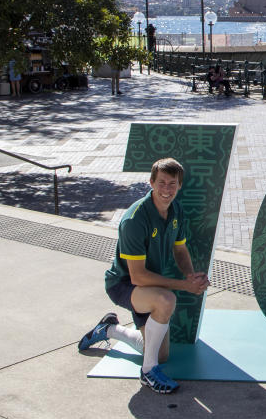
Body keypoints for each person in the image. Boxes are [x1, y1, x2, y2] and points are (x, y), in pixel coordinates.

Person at [78, 158, 209, 394]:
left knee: (162, 353)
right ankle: (148, 372)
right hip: (123, 284)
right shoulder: (135, 219)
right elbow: (137, 276)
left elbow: (180, 249)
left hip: (146, 284)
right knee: (166, 300)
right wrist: (183, 286)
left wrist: (190, 276)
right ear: (151, 182)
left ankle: (109, 329)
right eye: (161, 183)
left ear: (180, 186)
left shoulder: (176, 209)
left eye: (172, 183)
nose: (166, 189)